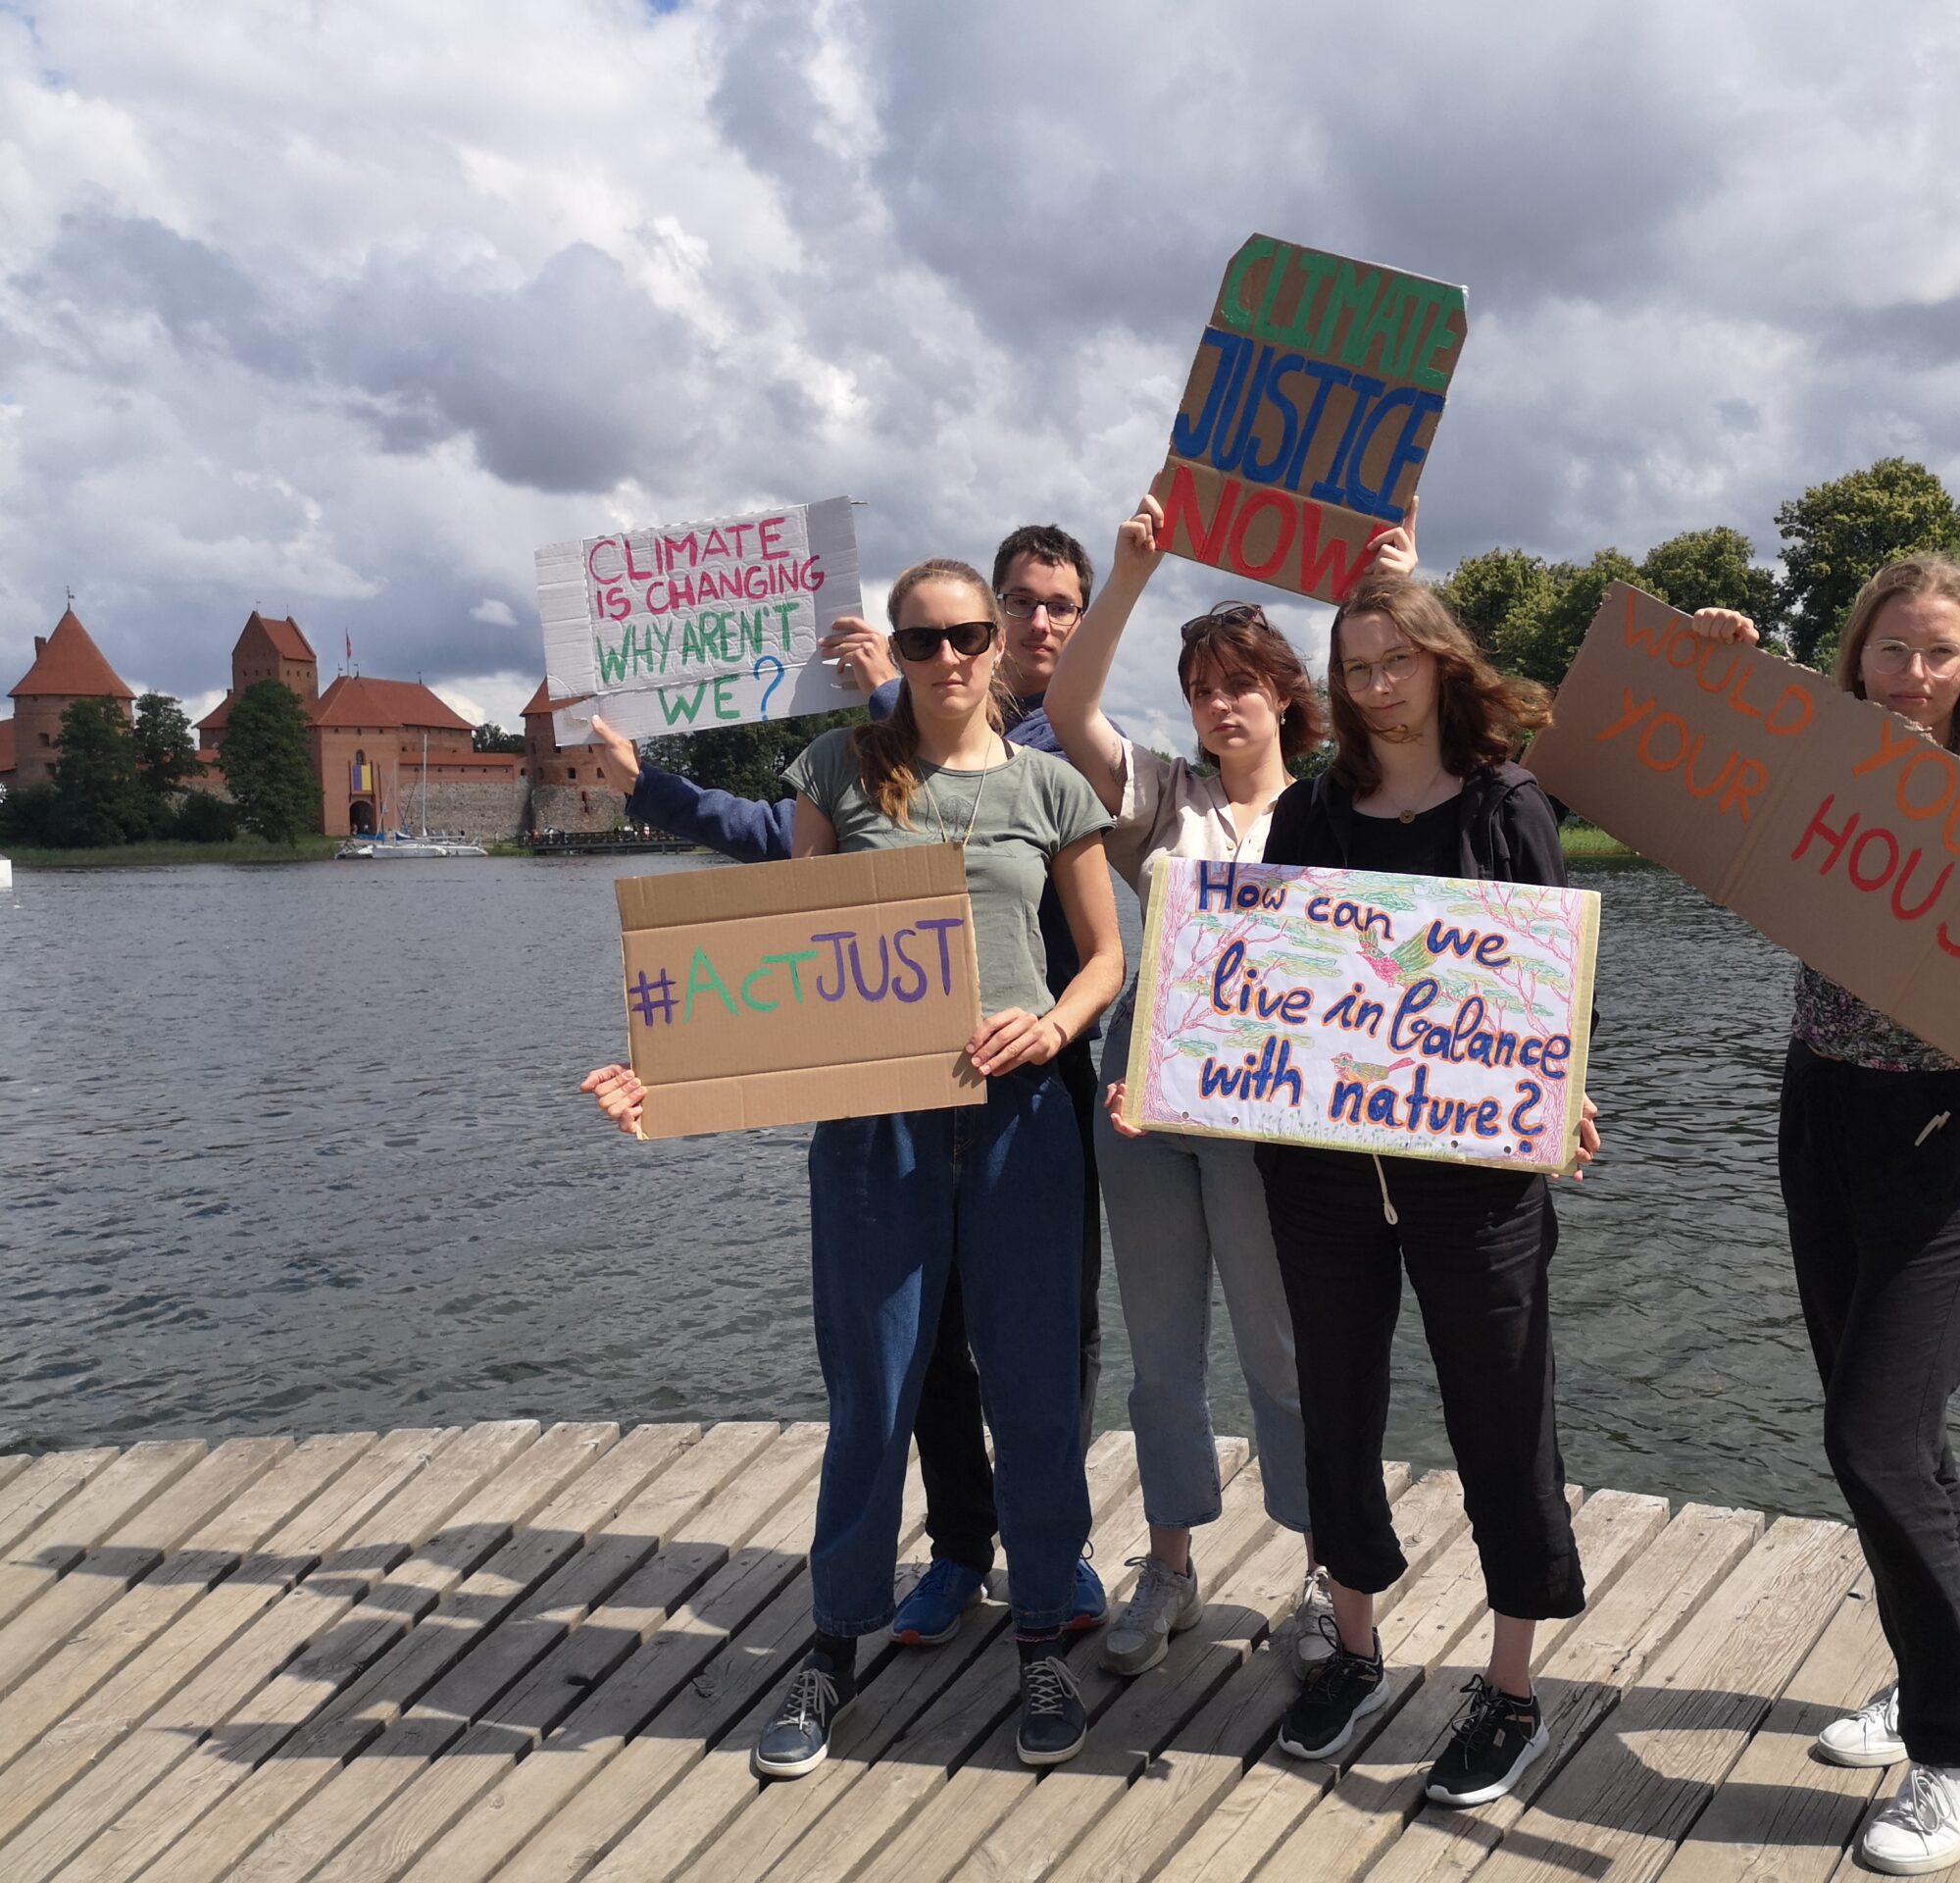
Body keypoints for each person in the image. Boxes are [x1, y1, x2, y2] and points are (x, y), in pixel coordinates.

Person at [582, 558, 1125, 1773]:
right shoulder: (837, 768)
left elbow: (1104, 957)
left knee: (1034, 1385)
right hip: (874, 1120)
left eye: (966, 638)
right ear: (897, 648)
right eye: (922, 640)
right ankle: (832, 1647)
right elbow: (785, 963)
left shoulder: (1053, 783)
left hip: (1021, 1117)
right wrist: (659, 1068)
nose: (947, 659)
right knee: (872, 1392)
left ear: (996, 649)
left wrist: (1053, 1023)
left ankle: (1041, 1634)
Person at [1698, 556, 1960, 1875]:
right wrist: (1712, 669)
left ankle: (1955, 1745)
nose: (1916, 675)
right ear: (1858, 661)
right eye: (1893, 651)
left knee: (1874, 1436)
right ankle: (1924, 1676)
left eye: (1940, 653)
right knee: (1894, 1441)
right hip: (1820, 1114)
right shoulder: (1822, 767)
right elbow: (1700, 768)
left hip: (1947, 1134)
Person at [1046, 493, 1415, 1678]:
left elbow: (1430, 729)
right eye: (1201, 686)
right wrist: (1130, 573)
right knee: (1161, 1352)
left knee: (1280, 1348)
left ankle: (1320, 1574)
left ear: (1283, 694)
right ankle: (1169, 1570)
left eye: (1238, 684)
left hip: (1274, 1119)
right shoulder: (1159, 795)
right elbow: (1065, 708)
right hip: (1144, 1101)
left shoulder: (1336, 805)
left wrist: (1395, 580)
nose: (1217, 704)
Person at [1252, 575, 1600, 1810]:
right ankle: (1352, 1646)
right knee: (1333, 1408)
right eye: (1355, 665)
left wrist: (1559, 1085)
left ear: (1446, 663)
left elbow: (1552, 991)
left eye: (1397, 657)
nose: (1377, 682)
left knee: (1503, 1419)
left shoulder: (1509, 807)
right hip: (1323, 1180)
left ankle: (1509, 1687)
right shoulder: (1307, 813)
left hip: (1480, 1185)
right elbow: (1259, 990)